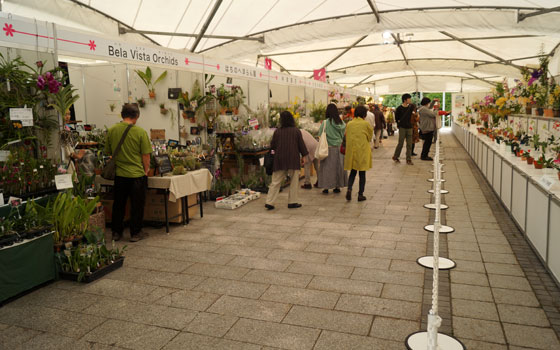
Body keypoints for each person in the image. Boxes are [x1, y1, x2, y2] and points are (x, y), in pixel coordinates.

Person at [105, 103, 152, 242]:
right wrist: (146, 171)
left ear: (122, 115)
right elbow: (146, 156)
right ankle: (135, 233)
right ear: (137, 116)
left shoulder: (112, 130)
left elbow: (109, 153)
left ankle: (116, 232)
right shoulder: (140, 132)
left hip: (120, 175)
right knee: (137, 205)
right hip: (137, 175)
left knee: (118, 204)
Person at [265, 111, 308, 210]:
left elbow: (273, 146)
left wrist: (272, 154)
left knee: (275, 181)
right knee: (294, 181)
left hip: (279, 159)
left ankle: (270, 202)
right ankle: (292, 202)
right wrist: (304, 156)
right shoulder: (296, 131)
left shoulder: (278, 132)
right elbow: (301, 145)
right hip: (293, 158)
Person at [344, 105, 373, 202]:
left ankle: (349, 188)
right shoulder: (366, 124)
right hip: (362, 151)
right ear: (364, 114)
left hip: (352, 151)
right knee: (362, 173)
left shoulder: (349, 124)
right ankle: (360, 194)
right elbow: (369, 137)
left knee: (352, 172)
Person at [317, 103, 348, 194]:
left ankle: (326, 187)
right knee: (338, 167)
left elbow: (320, 135)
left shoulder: (325, 122)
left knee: (326, 168)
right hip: (339, 148)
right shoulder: (341, 123)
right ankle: (337, 186)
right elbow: (343, 135)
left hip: (328, 148)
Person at [392, 93, 414, 165]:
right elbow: (397, 118)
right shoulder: (399, 108)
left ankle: (408, 159)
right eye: (409, 99)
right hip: (402, 128)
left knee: (409, 144)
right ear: (405, 100)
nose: (410, 100)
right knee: (400, 143)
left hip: (409, 127)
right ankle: (396, 156)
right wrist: (399, 124)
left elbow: (414, 112)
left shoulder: (411, 107)